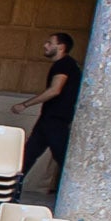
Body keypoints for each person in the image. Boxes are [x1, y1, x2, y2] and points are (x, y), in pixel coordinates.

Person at [17, 31, 81, 205]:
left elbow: (55, 89)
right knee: (28, 154)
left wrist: (25, 104)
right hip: (51, 119)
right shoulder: (69, 65)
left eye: (49, 43)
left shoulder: (63, 65)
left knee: (62, 158)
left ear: (61, 47)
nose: (45, 45)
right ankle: (10, 189)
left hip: (56, 119)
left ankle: (75, 197)